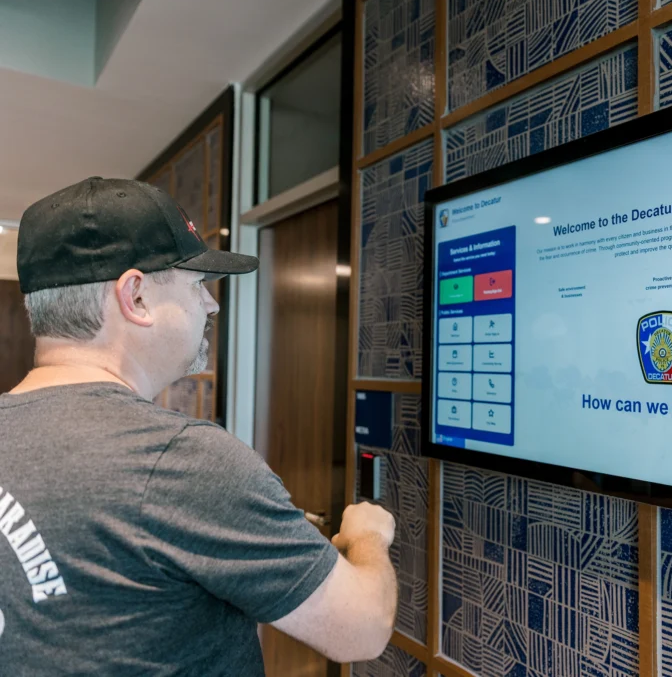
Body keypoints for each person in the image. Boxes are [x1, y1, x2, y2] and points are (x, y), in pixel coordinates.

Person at [0, 177, 397, 675]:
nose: (211, 304)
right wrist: (368, 537)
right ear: (136, 296)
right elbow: (361, 628)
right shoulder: (180, 462)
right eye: (194, 283)